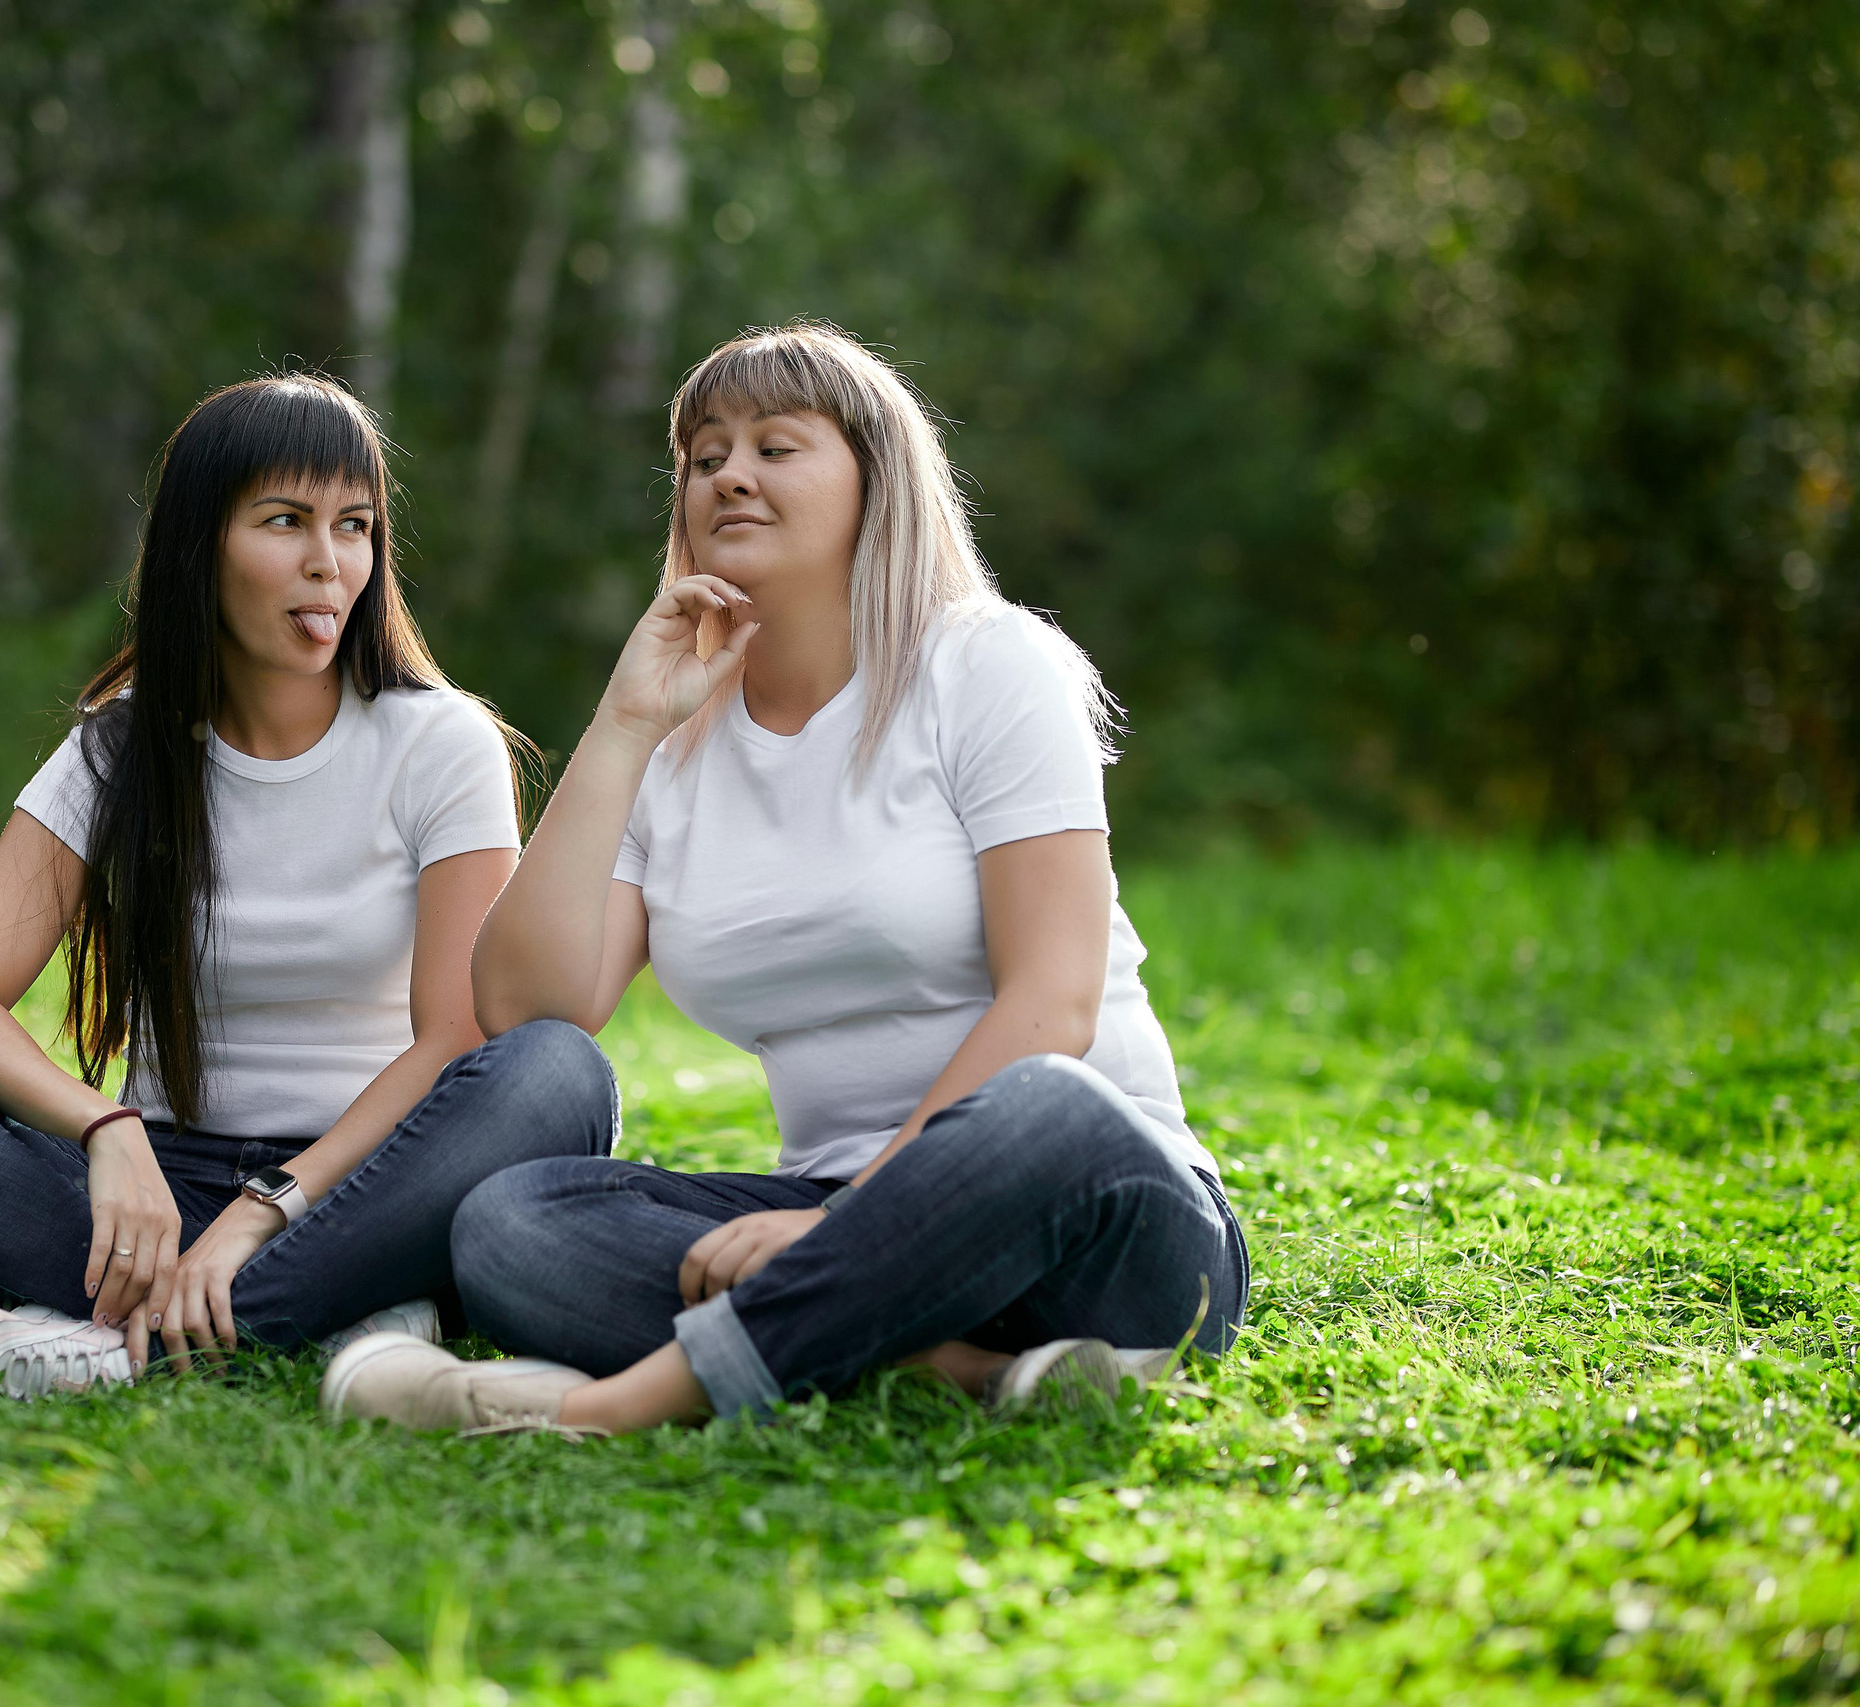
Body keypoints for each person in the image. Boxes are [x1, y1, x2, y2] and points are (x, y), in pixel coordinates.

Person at [321, 324, 1248, 1436]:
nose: (730, 476)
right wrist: (623, 726)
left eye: (775, 445)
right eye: (704, 456)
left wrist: (853, 1215)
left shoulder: (987, 665)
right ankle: (959, 1373)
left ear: (875, 480)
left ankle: (615, 1408)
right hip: (838, 1208)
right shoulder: (677, 748)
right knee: (515, 1221)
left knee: (1045, 1103)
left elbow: (1053, 1003)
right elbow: (529, 1010)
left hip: (1089, 1207)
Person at [0, 375, 612, 1396]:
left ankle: (145, 1329)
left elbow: (455, 1037)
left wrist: (268, 1207)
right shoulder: (121, 746)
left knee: (554, 1074)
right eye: (284, 521)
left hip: (365, 1177)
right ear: (199, 545)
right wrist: (105, 1131)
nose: (327, 562)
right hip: (157, 1186)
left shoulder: (438, 743)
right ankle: (335, 1305)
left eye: (353, 526)